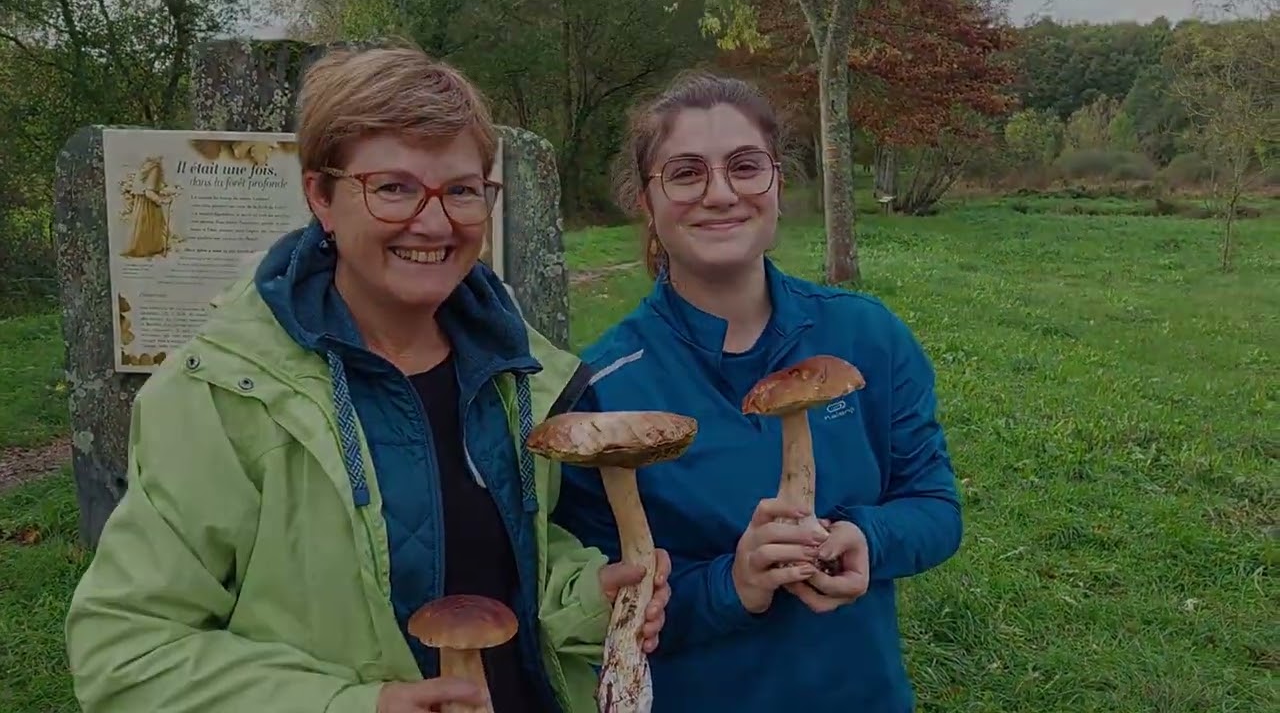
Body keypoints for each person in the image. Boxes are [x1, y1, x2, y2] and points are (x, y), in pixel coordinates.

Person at [64, 44, 671, 713]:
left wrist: (590, 600)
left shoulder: (518, 371)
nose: (434, 222)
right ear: (321, 196)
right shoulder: (223, 396)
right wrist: (359, 705)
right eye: (393, 188)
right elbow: (125, 654)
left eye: (462, 190)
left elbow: (509, 565)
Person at [551, 71, 962, 712]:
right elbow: (609, 609)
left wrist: (867, 537)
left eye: (745, 166)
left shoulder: (866, 336)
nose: (721, 194)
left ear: (776, 180)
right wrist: (731, 584)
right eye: (686, 173)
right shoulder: (604, 390)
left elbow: (936, 508)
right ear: (645, 200)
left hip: (860, 695)